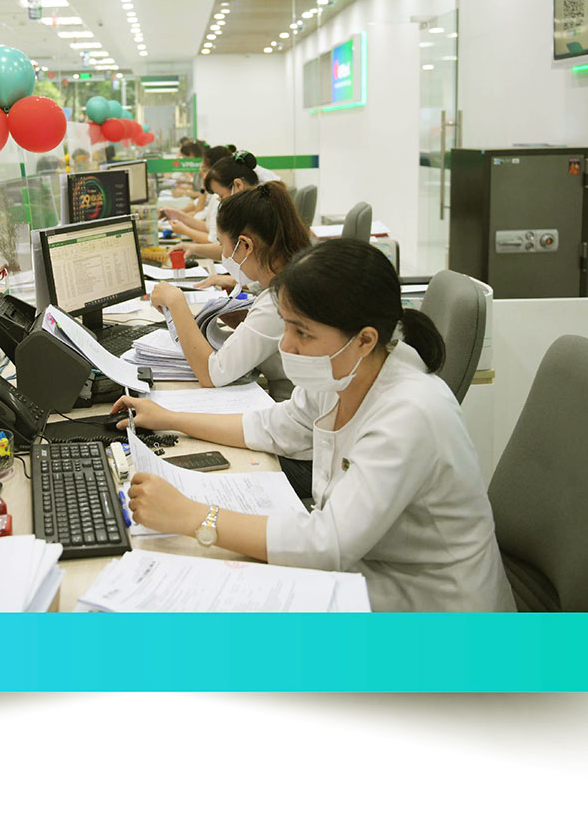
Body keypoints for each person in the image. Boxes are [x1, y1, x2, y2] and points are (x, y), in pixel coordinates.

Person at [111, 238, 517, 612]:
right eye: (286, 324)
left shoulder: (411, 413)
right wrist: (170, 418)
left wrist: (193, 517)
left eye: (302, 332)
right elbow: (276, 425)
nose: (285, 344)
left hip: (436, 610)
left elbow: (329, 543)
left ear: (365, 339)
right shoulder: (344, 372)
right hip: (370, 572)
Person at [150, 182, 310, 400]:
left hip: (287, 407)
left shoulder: (277, 300)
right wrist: (247, 321)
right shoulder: (297, 276)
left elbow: (212, 375)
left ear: (245, 246)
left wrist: (175, 302)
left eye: (221, 243)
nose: (223, 253)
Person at [169, 150, 260, 262]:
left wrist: (186, 233)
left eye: (221, 195)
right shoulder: (244, 210)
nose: (219, 200)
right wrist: (192, 248)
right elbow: (230, 251)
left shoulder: (259, 215)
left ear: (238, 185)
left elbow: (238, 254)